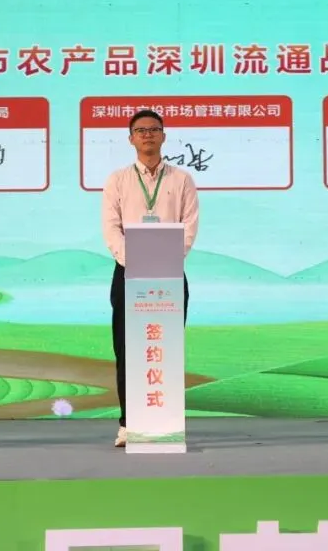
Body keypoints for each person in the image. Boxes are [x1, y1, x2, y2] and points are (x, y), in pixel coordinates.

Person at [101, 109, 199, 448]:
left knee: (165, 349)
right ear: (131, 139)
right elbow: (111, 228)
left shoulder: (181, 179)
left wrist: (165, 259)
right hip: (128, 273)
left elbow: (189, 226)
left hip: (169, 273)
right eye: (140, 130)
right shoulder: (118, 180)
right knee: (128, 349)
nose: (147, 135)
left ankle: (163, 422)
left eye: (154, 129)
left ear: (163, 136)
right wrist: (135, 261)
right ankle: (129, 423)